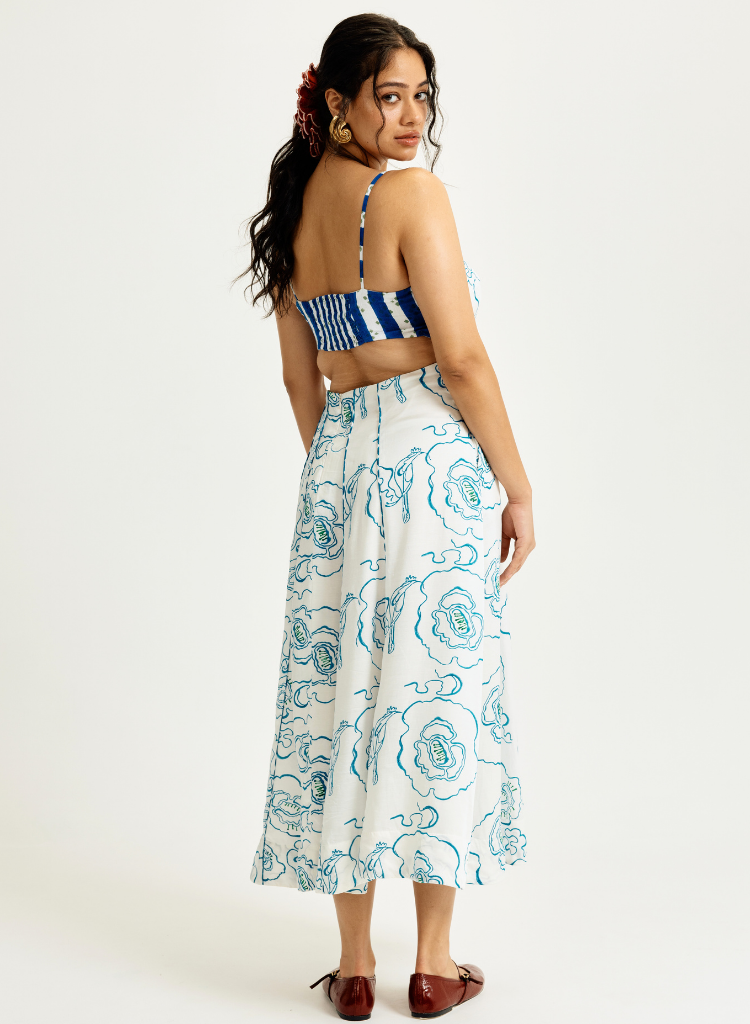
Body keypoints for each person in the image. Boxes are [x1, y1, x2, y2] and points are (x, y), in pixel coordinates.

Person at [234, 13, 535, 1021]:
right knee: (430, 693)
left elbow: (299, 379)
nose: (411, 118)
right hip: (431, 459)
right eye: (389, 96)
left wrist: (344, 476)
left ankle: (355, 965)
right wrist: (517, 486)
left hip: (339, 468)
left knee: (344, 700)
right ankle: (434, 965)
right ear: (337, 104)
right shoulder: (412, 195)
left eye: (421, 97)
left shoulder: (294, 212)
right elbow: (463, 359)